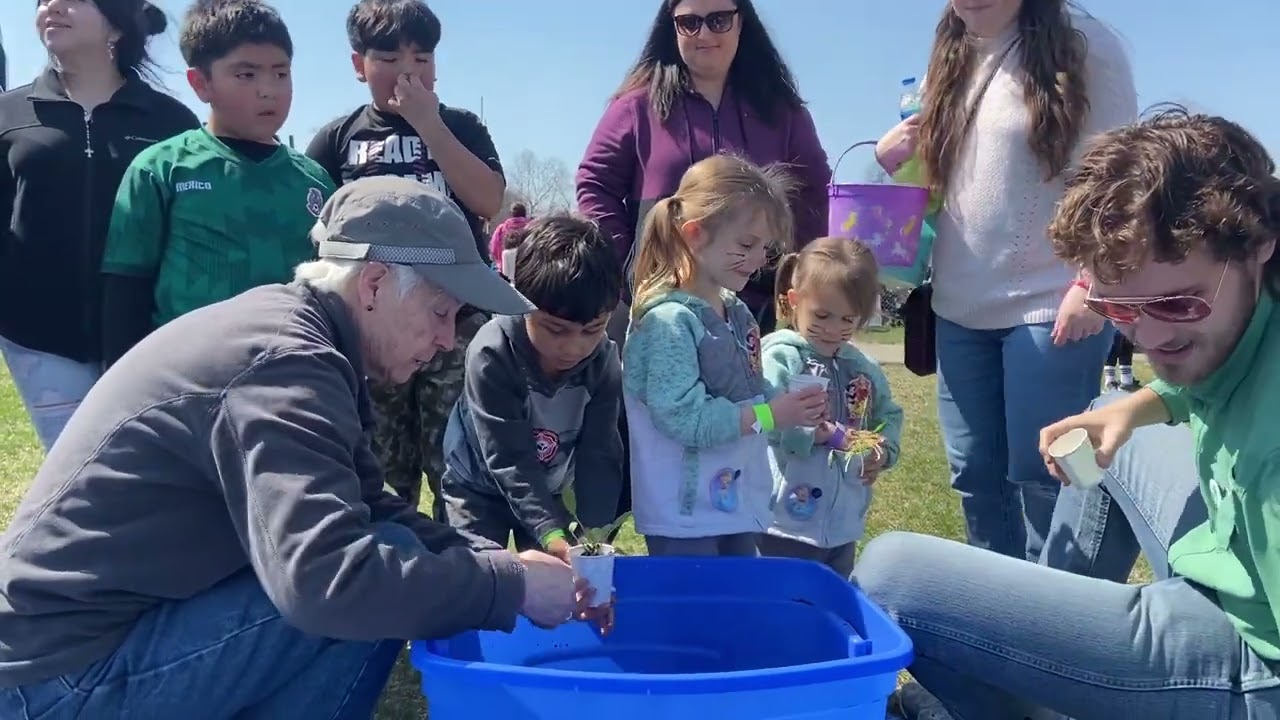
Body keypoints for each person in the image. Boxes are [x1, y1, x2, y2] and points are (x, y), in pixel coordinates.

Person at [0, 176, 603, 719]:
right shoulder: (287, 364)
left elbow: (369, 506)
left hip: (83, 646)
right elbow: (328, 581)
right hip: (60, 678)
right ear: (373, 285)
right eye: (441, 312)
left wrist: (498, 560)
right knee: (371, 585)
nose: (448, 341)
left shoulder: (301, 338)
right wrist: (510, 589)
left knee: (386, 555)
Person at [858, 109, 1280, 720]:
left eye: (1178, 302)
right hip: (1227, 566)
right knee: (1112, 410)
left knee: (892, 575)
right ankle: (1052, 675)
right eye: (1121, 309)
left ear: (1260, 241)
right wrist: (1132, 410)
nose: (1151, 338)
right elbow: (1209, 381)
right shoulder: (1244, 312)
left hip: (1251, 667)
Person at [873, 0, 1138, 562]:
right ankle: (1000, 618)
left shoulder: (1087, 43)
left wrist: (1094, 283)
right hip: (958, 306)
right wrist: (891, 156)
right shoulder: (950, 53)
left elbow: (1122, 177)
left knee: (1053, 477)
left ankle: (1061, 619)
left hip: (1053, 306)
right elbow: (949, 180)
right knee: (975, 477)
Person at [307, 0, 506, 516]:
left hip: (453, 323)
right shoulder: (339, 138)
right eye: (390, 58)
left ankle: (460, 556)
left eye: (422, 57)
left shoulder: (461, 126)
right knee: (374, 458)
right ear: (359, 66)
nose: (408, 71)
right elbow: (314, 226)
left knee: (455, 457)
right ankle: (385, 555)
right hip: (372, 325)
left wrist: (429, 124)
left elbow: (489, 201)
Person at [0, 0, 198, 450]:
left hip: (147, 331)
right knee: (80, 462)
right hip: (37, 335)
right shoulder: (7, 114)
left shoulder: (172, 123)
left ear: (116, 23)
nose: (51, 6)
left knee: (145, 461)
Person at [100, 0, 333, 366]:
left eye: (281, 73)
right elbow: (126, 291)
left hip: (294, 380)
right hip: (188, 383)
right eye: (246, 75)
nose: (268, 90)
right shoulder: (161, 169)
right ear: (201, 83)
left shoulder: (315, 181)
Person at [577, 0, 830, 337]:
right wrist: (629, 269)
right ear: (673, 27)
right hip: (658, 312)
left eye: (720, 20)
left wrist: (790, 274)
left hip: (756, 314)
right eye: (689, 23)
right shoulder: (636, 106)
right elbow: (595, 184)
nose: (705, 33)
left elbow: (816, 193)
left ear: (742, 23)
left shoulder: (783, 111)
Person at [622, 154, 827, 557]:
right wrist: (771, 414)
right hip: (683, 517)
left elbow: (750, 388)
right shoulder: (667, 322)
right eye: (746, 245)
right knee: (693, 618)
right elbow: (685, 418)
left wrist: (794, 414)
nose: (757, 260)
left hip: (731, 503)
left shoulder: (736, 312)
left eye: (765, 248)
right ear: (695, 234)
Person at [440, 215, 626, 561]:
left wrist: (591, 535)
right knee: (480, 577)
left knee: (560, 587)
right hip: (478, 491)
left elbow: (600, 453)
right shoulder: (492, 353)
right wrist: (552, 534)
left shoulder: (604, 360)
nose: (573, 348)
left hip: (547, 488)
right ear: (520, 303)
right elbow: (508, 458)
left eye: (593, 329)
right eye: (556, 329)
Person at [758, 238, 903, 579]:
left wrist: (881, 451)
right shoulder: (781, 356)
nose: (833, 329)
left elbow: (889, 414)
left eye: (847, 319)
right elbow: (766, 415)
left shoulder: (862, 366)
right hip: (782, 522)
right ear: (794, 302)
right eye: (822, 315)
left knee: (828, 605)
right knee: (780, 604)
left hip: (843, 524)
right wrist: (820, 433)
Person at [490, 201, 531, 274]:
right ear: (524, 213)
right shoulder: (531, 228)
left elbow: (493, 248)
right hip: (526, 271)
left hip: (504, 269)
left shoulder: (501, 228)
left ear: (511, 214)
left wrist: (500, 261)